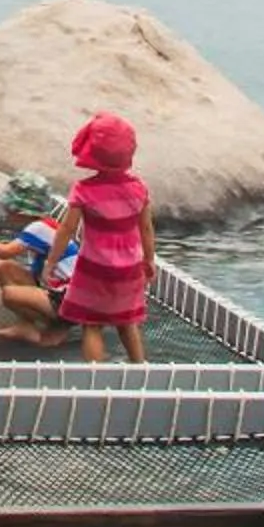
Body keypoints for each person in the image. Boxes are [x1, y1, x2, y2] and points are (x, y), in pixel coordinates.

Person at [36, 112, 156, 362]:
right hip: (129, 269)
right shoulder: (138, 189)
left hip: (95, 269)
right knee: (127, 322)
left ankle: (96, 380)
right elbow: (146, 229)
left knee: (92, 325)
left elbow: (66, 229)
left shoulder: (84, 191)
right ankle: (141, 370)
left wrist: (51, 262)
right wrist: (149, 260)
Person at [0, 171, 77, 347]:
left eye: (10, 207)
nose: (6, 210)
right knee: (5, 268)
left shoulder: (38, 228)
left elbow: (5, 251)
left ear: (23, 210)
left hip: (70, 300)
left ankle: (44, 327)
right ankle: (41, 327)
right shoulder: (47, 224)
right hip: (65, 294)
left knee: (9, 294)